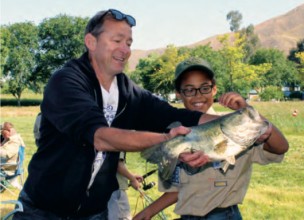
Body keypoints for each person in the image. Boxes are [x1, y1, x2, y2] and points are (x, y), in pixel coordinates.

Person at [13, 9, 219, 220]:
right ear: (91, 42)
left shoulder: (126, 90)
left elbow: (173, 115)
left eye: (128, 43)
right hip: (42, 211)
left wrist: (242, 121)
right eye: (117, 40)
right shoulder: (66, 81)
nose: (125, 50)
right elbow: (100, 137)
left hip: (94, 212)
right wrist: (166, 140)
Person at [133, 57, 289, 220]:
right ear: (179, 93)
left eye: (205, 88)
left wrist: (246, 109)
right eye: (189, 90)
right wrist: (147, 212)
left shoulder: (236, 128)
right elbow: (177, 190)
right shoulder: (176, 134)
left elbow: (281, 147)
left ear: (214, 89)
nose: (198, 95)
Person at [108, 151, 143, 220]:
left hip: (115, 188)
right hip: (114, 190)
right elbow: (118, 165)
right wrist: (132, 179)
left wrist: (131, 176)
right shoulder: (120, 142)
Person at [0, 122, 25, 191]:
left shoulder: (15, 142)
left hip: (7, 168)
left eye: (2, 133)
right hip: (7, 166)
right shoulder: (11, 139)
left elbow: (5, 154)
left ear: (9, 131)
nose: (2, 135)